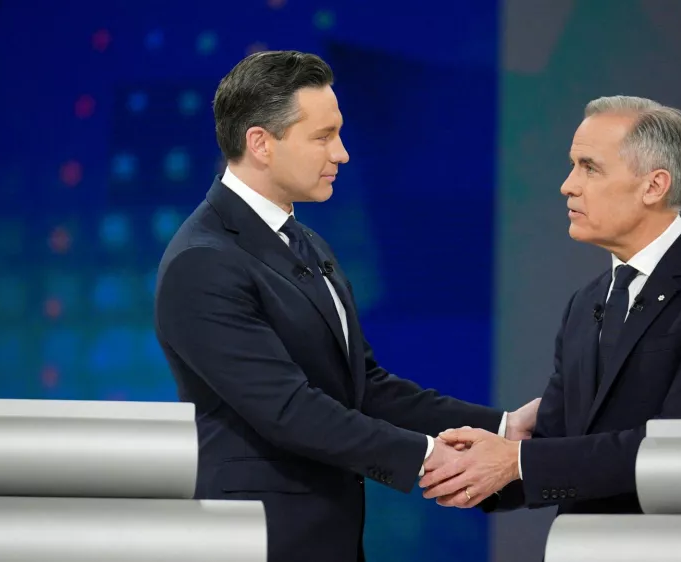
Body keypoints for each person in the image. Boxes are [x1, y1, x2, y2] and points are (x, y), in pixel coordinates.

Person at [154, 50, 539, 562]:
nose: (342, 154)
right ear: (260, 143)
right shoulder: (204, 261)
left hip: (329, 537)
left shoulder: (305, 242)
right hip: (259, 540)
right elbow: (288, 410)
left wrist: (502, 428)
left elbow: (363, 386)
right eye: (323, 137)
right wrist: (429, 457)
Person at [419, 95, 681, 515]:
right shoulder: (586, 302)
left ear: (653, 186)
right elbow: (555, 445)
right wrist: (468, 469)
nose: (568, 185)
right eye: (573, 165)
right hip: (582, 544)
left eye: (589, 167)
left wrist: (513, 461)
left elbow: (679, 446)